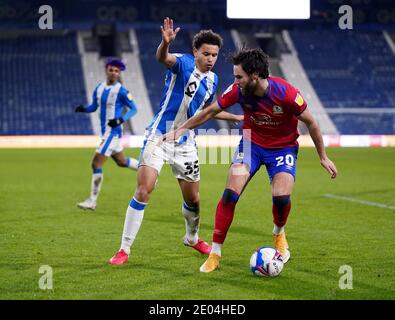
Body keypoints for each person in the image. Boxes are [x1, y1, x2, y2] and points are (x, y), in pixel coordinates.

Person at [162, 48, 338, 273]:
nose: (235, 81)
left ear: (255, 75)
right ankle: (215, 253)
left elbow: (311, 122)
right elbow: (209, 111)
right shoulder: (238, 90)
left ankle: (278, 232)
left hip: (282, 147)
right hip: (250, 144)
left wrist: (322, 156)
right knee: (230, 195)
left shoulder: (285, 92)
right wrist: (181, 129)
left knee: (281, 198)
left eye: (239, 77)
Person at [108, 17, 243, 265]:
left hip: (186, 142)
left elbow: (207, 111)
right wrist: (165, 44)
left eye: (215, 54)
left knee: (193, 199)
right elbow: (163, 58)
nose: (211, 59)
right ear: (196, 52)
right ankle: (124, 249)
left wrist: (235, 116)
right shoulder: (183, 62)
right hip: (159, 135)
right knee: (144, 190)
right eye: (207, 54)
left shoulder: (213, 80)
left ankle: (191, 238)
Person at [75, 58, 139, 211]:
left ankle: (92, 201)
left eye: (117, 71)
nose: (114, 73)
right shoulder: (99, 88)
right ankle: (148, 170)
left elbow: (134, 109)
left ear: (119, 73)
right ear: (106, 70)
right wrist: (83, 109)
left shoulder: (122, 91)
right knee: (122, 162)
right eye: (111, 70)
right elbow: (93, 107)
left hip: (113, 133)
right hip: (105, 133)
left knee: (96, 163)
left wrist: (120, 120)